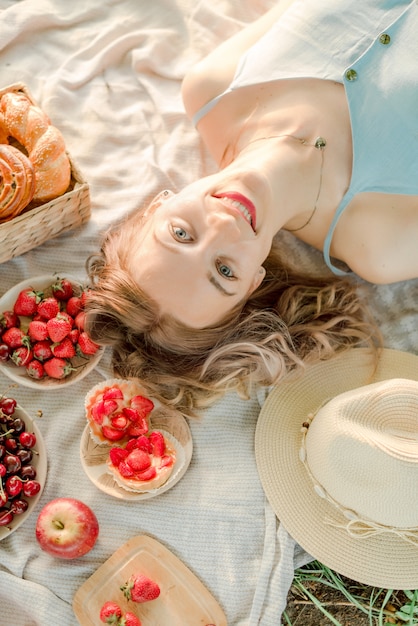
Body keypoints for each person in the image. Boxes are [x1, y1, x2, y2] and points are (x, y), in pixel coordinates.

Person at [85, 0, 418, 417]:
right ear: (254, 281)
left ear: (158, 205)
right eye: (224, 271)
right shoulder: (380, 246)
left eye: (181, 234)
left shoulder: (212, 89)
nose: (223, 227)